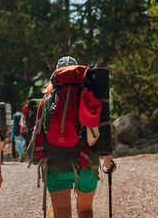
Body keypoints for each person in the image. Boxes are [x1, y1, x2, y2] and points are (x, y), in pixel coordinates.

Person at [44, 57, 116, 218]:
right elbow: (103, 125)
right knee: (85, 211)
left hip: (56, 163)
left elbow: (39, 135)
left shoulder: (48, 100)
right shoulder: (90, 96)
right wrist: (107, 158)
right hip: (87, 162)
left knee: (61, 213)